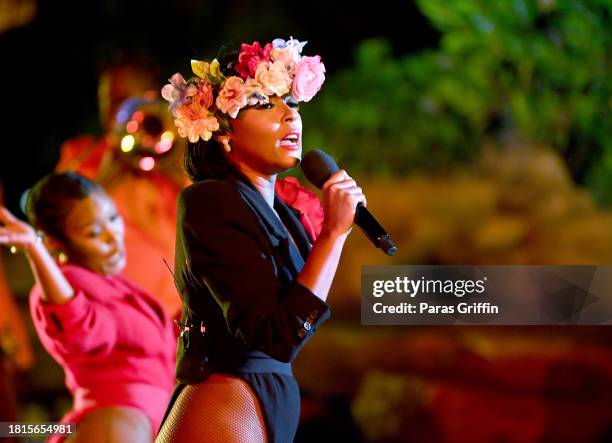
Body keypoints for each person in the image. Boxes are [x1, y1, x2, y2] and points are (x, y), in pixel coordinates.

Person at [156, 38, 365, 442]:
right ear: (223, 133)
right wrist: (334, 235)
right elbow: (276, 334)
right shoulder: (208, 200)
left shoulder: (283, 212)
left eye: (291, 103)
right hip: (226, 399)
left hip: (267, 393)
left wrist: (332, 234)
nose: (291, 116)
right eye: (266, 104)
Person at [0, 172, 176, 443]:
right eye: (93, 232)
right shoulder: (67, 284)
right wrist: (34, 249)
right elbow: (79, 325)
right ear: (55, 242)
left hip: (146, 417)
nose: (112, 236)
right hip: (117, 422)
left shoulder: (112, 283)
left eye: (113, 218)